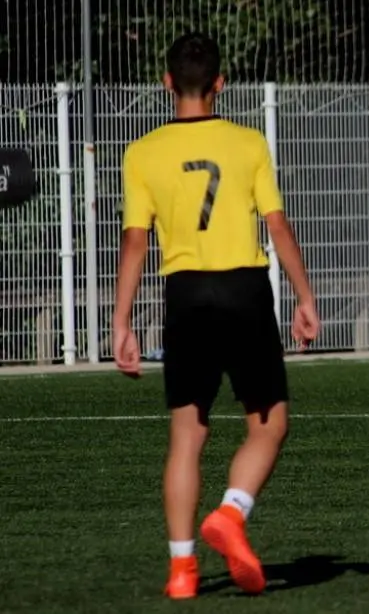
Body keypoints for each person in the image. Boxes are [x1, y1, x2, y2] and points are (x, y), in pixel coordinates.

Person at [112, 33, 319, 598]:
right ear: (220, 83)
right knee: (269, 423)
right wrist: (304, 296)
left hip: (184, 293)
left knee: (187, 433)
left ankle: (182, 570)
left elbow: (135, 241)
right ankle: (231, 512)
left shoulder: (142, 152)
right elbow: (277, 226)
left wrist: (121, 322)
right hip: (243, 289)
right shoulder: (248, 143)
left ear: (167, 83)